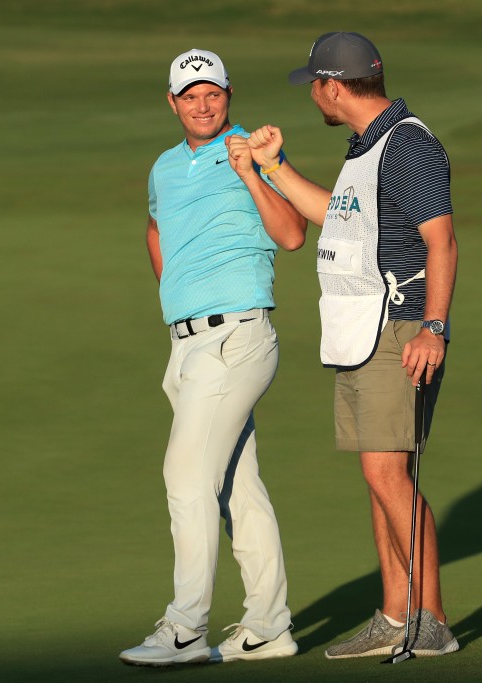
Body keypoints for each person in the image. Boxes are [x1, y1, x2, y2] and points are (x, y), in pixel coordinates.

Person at [244, 32, 459, 659]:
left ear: (333, 87)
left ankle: (432, 620)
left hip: (399, 329)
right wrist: (272, 168)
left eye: (314, 83)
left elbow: (442, 240)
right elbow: (331, 216)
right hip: (360, 332)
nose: (313, 93)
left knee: (389, 474)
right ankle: (395, 616)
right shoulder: (368, 147)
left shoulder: (407, 145)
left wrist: (433, 328)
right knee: (376, 479)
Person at [118, 48, 307, 667]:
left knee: (185, 476)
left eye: (214, 94)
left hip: (236, 338)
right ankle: (268, 626)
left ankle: (186, 628)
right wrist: (177, 298)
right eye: (190, 96)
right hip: (186, 343)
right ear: (172, 103)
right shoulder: (164, 168)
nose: (203, 105)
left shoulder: (254, 151)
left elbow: (291, 234)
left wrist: (256, 171)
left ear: (229, 96)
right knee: (235, 487)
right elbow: (155, 227)